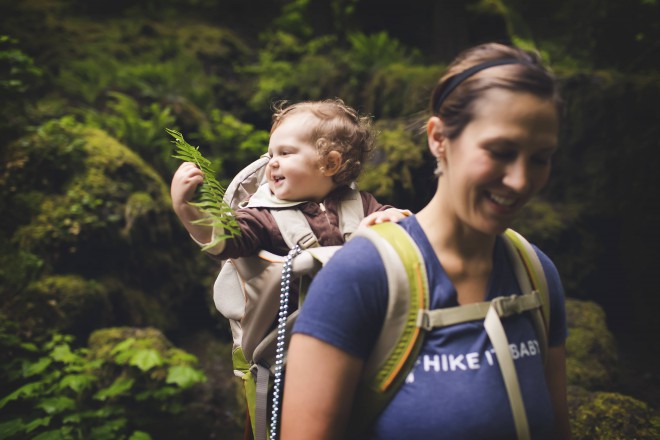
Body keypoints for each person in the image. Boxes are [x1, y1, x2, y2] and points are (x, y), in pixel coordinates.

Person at [282, 43, 571, 440]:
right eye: (500, 151)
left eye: (540, 158)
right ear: (438, 138)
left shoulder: (535, 275)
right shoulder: (361, 277)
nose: (521, 180)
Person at [170, 98, 407, 266]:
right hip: (293, 328)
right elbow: (225, 242)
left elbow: (397, 225)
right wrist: (185, 208)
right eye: (271, 154)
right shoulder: (262, 215)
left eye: (285, 153)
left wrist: (394, 219)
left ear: (330, 164)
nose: (271, 163)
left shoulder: (361, 205)